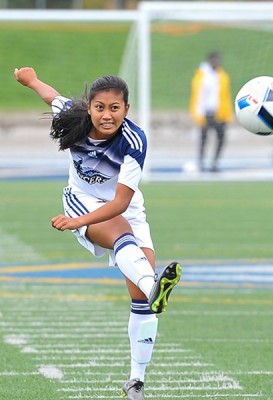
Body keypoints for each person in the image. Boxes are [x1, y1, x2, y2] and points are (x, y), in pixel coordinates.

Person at [14, 67, 183, 400]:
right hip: (82, 200)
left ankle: (135, 382)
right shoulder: (73, 116)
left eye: (115, 108)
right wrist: (30, 80)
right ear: (89, 107)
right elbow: (51, 96)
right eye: (100, 107)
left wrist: (77, 224)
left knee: (142, 303)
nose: (107, 114)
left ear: (126, 111)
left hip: (126, 206)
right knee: (127, 245)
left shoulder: (134, 140)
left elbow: (122, 202)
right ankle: (154, 286)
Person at [189, 51, 234, 173]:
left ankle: (215, 162)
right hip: (205, 113)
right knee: (204, 139)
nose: (217, 62)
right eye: (214, 60)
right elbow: (197, 96)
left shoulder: (223, 76)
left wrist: (227, 113)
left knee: (221, 138)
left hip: (219, 113)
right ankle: (201, 162)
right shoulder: (202, 76)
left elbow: (226, 96)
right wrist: (197, 113)